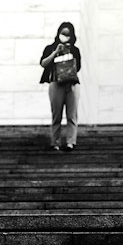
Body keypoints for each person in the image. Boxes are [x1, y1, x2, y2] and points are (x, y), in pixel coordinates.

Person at [39, 20, 82, 152]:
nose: (65, 37)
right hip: (56, 83)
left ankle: (70, 142)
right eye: (63, 34)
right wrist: (55, 53)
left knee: (72, 114)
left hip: (71, 84)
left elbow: (78, 67)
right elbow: (43, 63)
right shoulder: (50, 48)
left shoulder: (75, 50)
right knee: (56, 115)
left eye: (68, 34)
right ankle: (55, 142)